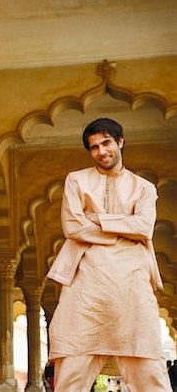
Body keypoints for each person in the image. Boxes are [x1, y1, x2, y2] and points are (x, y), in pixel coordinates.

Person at [47, 118, 172, 391]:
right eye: (94, 147)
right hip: (86, 282)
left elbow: (143, 227)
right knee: (72, 365)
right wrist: (122, 229)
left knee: (147, 366)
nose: (101, 152)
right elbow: (72, 226)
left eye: (106, 143)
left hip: (131, 282)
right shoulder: (76, 180)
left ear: (120, 142)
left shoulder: (144, 188)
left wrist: (99, 219)